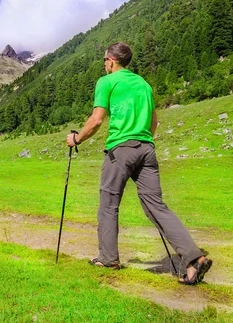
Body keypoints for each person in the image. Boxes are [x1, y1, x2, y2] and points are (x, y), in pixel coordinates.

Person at [66, 42, 212, 285]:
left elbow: (96, 119)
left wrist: (76, 138)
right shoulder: (144, 84)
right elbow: (154, 122)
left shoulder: (107, 82)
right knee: (156, 205)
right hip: (147, 149)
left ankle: (108, 258)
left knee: (108, 205)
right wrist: (142, 141)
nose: (104, 64)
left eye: (105, 60)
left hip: (120, 150)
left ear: (111, 61)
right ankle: (193, 258)